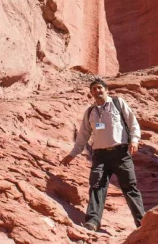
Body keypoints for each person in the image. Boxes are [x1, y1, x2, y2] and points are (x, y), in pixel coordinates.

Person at [60, 78, 145, 231]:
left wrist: (134, 140)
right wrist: (73, 154)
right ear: (91, 93)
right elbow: (83, 136)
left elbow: (133, 123)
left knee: (130, 187)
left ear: (106, 89)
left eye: (99, 88)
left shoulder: (118, 103)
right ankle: (93, 221)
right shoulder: (90, 112)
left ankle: (142, 222)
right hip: (100, 156)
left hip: (121, 153)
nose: (97, 91)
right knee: (97, 186)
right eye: (93, 89)